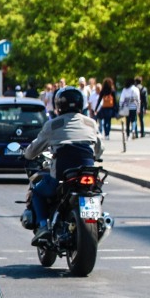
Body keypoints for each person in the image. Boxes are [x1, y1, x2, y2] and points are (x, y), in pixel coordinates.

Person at [23, 85, 103, 244]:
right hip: (89, 172)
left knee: (37, 191)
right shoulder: (91, 123)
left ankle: (43, 226)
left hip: (62, 176)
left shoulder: (53, 124)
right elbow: (100, 148)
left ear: (59, 105)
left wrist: (27, 153)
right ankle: (99, 218)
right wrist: (96, 156)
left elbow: (33, 149)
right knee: (97, 191)